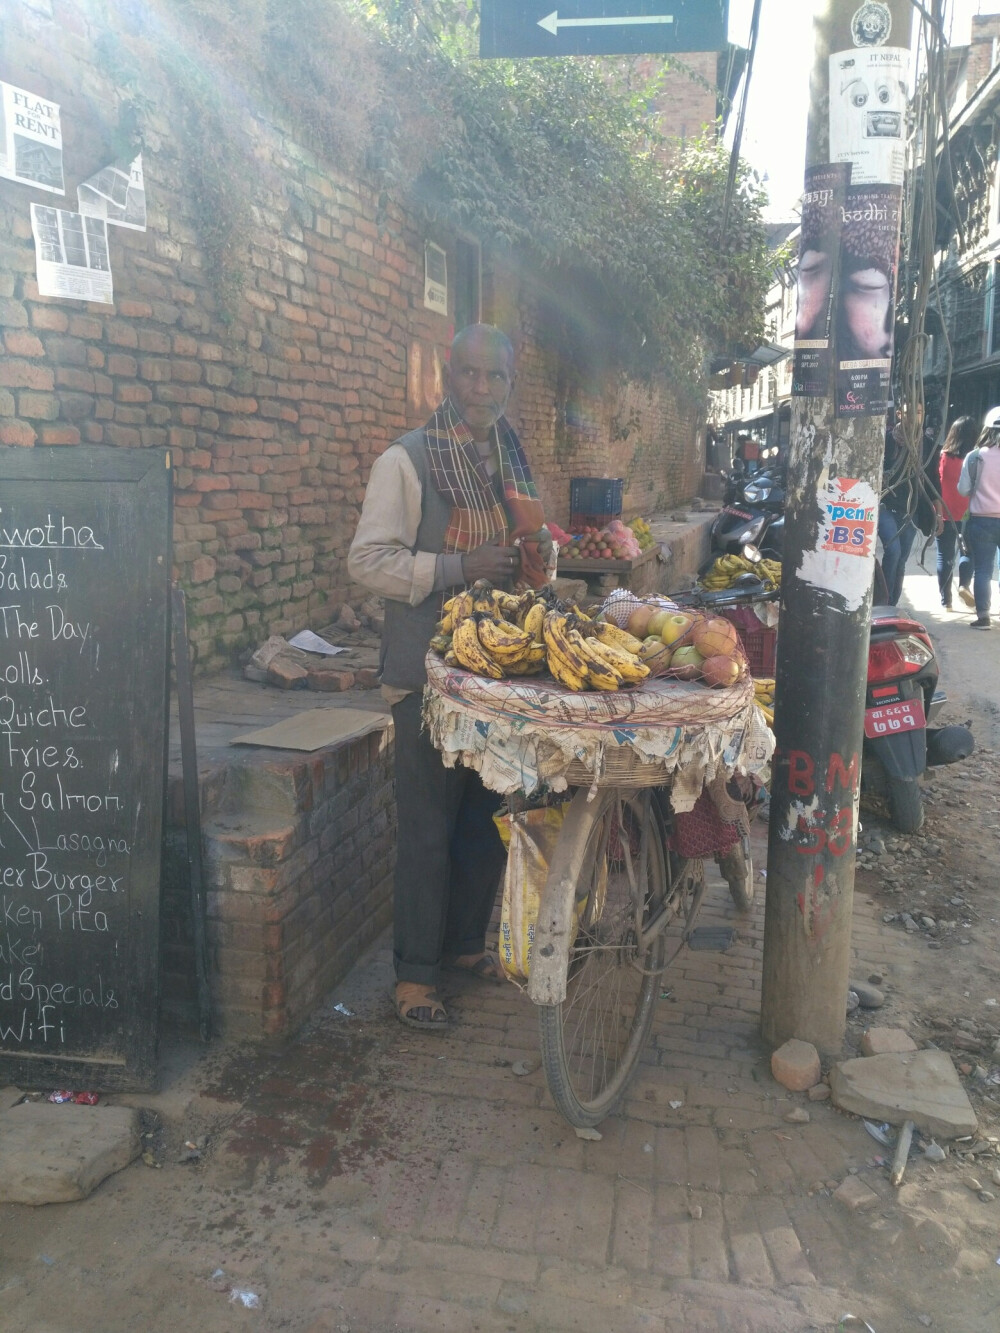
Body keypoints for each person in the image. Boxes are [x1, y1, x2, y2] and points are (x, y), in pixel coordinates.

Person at [348, 324, 551, 1030]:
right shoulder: (406, 462)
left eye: (494, 376)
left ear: (508, 382)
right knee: (428, 828)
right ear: (446, 376)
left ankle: (464, 944)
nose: (481, 389)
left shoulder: (510, 461)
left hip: (496, 678)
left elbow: (524, 549)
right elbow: (367, 561)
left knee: (482, 820)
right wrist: (456, 568)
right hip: (429, 678)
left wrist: (536, 559)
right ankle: (414, 976)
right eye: (468, 374)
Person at [958, 406, 1000, 629]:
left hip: (981, 520)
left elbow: (963, 489)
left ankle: (983, 616)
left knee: (983, 569)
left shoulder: (974, 457)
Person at [936, 416, 977, 610]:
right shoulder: (975, 458)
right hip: (968, 513)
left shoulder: (944, 456)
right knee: (967, 551)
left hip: (945, 511)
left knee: (944, 555)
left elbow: (939, 482)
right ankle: (964, 585)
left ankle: (947, 601)